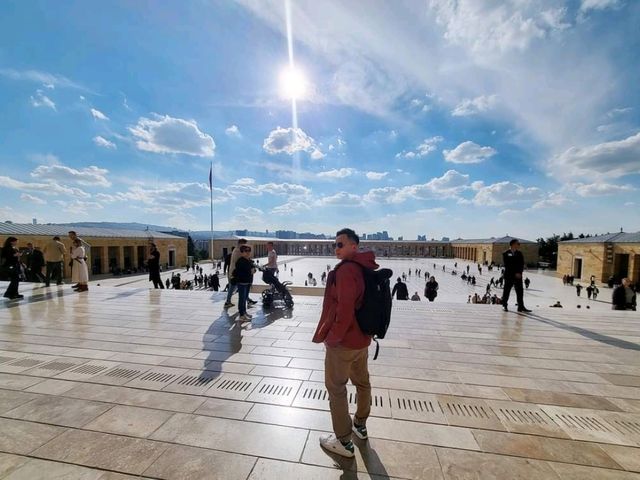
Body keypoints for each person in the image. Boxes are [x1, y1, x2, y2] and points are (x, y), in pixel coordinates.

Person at [312, 228, 375, 458]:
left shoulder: (347, 271)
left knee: (336, 388)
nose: (335, 248)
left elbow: (345, 308)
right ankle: (360, 424)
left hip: (345, 342)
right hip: (362, 340)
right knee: (362, 383)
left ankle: (344, 441)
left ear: (354, 246)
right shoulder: (364, 266)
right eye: (335, 244)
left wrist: (333, 337)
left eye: (340, 244)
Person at [501, 239, 531, 313]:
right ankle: (504, 305)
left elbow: (521, 264)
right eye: (518, 243)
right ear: (513, 244)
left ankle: (521, 307)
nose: (519, 245)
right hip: (509, 275)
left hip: (518, 276)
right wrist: (515, 273)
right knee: (507, 291)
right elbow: (507, 265)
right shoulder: (506, 253)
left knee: (520, 291)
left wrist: (519, 273)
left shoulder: (519, 253)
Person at [234, 245, 255, 322]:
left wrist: (253, 270)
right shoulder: (240, 261)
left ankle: (244, 313)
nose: (248, 253)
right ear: (242, 252)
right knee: (242, 299)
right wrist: (250, 271)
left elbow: (253, 268)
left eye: (249, 251)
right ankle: (241, 314)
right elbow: (240, 272)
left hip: (247, 282)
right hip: (242, 282)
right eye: (246, 251)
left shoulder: (248, 260)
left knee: (245, 298)